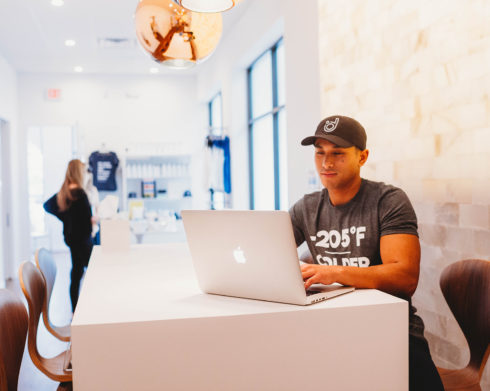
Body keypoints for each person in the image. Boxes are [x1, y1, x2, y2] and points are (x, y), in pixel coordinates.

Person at [289, 115, 444, 391]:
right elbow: (270, 255)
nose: (326, 163)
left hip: (390, 328)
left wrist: (332, 272)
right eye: (320, 153)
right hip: (328, 326)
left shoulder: (388, 201)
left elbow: (405, 276)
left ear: (362, 157)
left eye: (337, 154)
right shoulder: (306, 207)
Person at [44, 159, 93, 313]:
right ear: (79, 173)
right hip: (84, 242)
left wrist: (65, 217)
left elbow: (47, 205)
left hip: (72, 241)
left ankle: (75, 311)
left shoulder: (64, 193)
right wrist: (93, 221)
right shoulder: (80, 194)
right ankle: (89, 311)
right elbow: (87, 224)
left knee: (76, 274)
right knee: (92, 275)